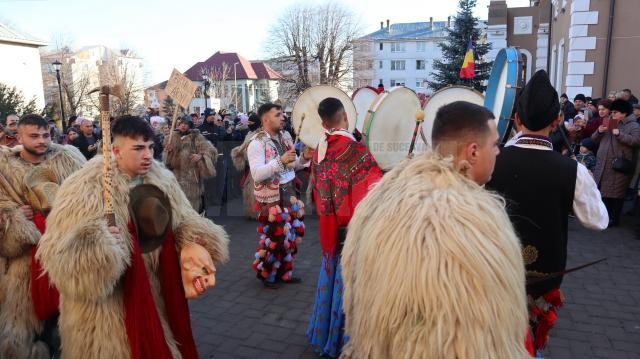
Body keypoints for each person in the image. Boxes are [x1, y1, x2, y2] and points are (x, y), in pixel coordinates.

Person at [342, 101, 533, 358]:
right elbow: (477, 339)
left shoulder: (384, 195)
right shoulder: (471, 224)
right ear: (473, 152)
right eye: (495, 144)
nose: (498, 152)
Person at [37, 115, 229, 358]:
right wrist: (101, 247)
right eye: (138, 148)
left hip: (157, 294)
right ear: (116, 150)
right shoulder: (83, 187)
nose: (148, 154)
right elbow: (59, 258)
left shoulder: (162, 178)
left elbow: (185, 218)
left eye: (150, 146)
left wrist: (192, 239)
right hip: (108, 311)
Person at [486, 70, 608, 356]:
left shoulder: (491, 160)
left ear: (516, 120)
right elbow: (598, 221)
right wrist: (584, 180)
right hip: (544, 280)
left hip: (493, 273)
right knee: (532, 343)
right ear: (556, 121)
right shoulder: (572, 170)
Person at [0, 114, 86, 358]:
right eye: (34, 136)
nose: (42, 141)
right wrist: (15, 215)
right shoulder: (5, 169)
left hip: (65, 257)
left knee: (69, 329)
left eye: (46, 135)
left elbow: (87, 199)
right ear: (18, 137)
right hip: (24, 268)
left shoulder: (69, 161)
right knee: (31, 334)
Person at [306, 98, 383, 357]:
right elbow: (374, 194)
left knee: (330, 278)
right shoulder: (357, 152)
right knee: (348, 285)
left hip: (329, 232)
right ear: (345, 118)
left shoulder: (320, 149)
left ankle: (324, 333)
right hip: (351, 235)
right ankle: (343, 341)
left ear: (323, 122)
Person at [248, 103, 313, 287]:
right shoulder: (257, 143)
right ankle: (266, 273)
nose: (283, 117)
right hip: (271, 198)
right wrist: (280, 161)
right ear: (266, 119)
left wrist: (304, 158)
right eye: (278, 114)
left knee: (290, 235)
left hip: (290, 194)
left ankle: (284, 272)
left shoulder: (285, 136)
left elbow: (294, 166)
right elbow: (257, 174)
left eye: (283, 114)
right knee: (275, 237)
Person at [592, 99, 640, 227]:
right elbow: (594, 139)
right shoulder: (610, 122)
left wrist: (620, 134)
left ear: (624, 113)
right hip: (604, 162)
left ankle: (614, 219)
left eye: (615, 112)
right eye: (612, 111)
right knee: (604, 191)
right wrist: (599, 131)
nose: (612, 114)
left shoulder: (633, 125)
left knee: (616, 193)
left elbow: (636, 141)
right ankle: (604, 217)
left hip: (619, 164)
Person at [164, 117, 218, 212]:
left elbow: (211, 151)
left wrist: (200, 156)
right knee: (177, 204)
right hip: (176, 177)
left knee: (191, 206)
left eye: (186, 124)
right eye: (181, 123)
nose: (183, 125)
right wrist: (168, 152)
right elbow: (166, 161)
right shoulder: (171, 138)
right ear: (178, 125)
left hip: (191, 177)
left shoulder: (196, 137)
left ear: (190, 125)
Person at [231, 113, 262, 218]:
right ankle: (251, 212)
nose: (249, 124)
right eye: (248, 122)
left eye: (251, 122)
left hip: (259, 166)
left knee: (258, 190)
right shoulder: (249, 133)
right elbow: (244, 146)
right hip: (249, 167)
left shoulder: (262, 134)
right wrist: (239, 152)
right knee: (249, 190)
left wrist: (245, 153)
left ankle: (260, 212)